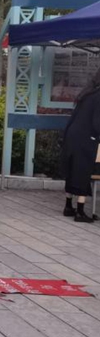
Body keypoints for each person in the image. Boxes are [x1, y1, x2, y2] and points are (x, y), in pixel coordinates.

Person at [61, 66, 100, 223]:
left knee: (72, 170)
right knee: (83, 171)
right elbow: (97, 123)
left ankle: (68, 206)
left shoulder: (87, 92)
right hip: (85, 137)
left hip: (72, 135)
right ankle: (80, 212)